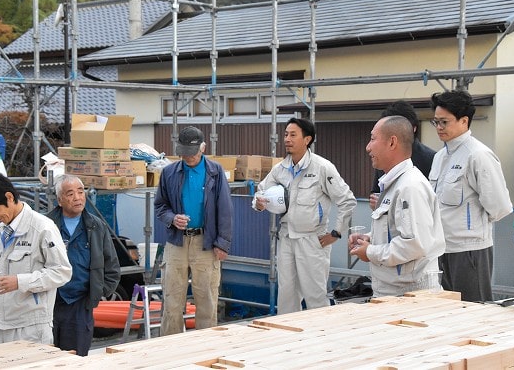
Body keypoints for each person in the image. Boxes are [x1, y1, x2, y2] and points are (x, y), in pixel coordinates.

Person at [253, 117, 356, 314]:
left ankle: (319, 341)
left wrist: (336, 232)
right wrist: (258, 203)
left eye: (293, 135)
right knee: (286, 296)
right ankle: (289, 341)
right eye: (285, 135)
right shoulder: (279, 169)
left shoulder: (322, 168)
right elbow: (260, 192)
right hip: (286, 238)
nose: (287, 139)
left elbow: (347, 200)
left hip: (312, 240)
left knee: (315, 297)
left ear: (307, 139)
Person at [428, 90, 512, 302]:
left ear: (464, 121)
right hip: (441, 248)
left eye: (444, 122)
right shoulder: (439, 157)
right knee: (447, 311)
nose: (438, 127)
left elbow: (500, 206)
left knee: (475, 309)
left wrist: (472, 225)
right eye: (435, 121)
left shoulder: (478, 155)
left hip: (469, 250)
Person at [0, 173, 72, 345]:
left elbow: (62, 272)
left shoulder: (43, 228)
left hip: (31, 326)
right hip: (0, 324)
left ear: (9, 197)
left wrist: (20, 281)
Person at [350, 116, 445, 297]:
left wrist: (370, 252)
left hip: (409, 295)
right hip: (394, 291)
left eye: (372, 139)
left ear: (392, 142)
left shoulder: (410, 187)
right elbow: (397, 231)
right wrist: (369, 238)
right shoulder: (395, 183)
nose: (368, 147)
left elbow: (414, 244)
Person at [154, 126, 233, 336]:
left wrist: (222, 243)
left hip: (206, 243)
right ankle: (170, 350)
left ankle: (205, 349)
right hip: (176, 243)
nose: (187, 157)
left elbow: (225, 210)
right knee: (172, 300)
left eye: (192, 152)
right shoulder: (169, 172)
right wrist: (172, 218)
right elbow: (160, 206)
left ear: (203, 148)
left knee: (206, 300)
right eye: (183, 152)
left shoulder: (215, 172)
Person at [46, 174, 120, 356]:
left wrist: (98, 291)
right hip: (50, 301)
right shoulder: (46, 225)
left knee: (77, 357)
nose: (77, 197)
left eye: (81, 192)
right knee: (47, 356)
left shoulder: (96, 226)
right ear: (60, 200)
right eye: (70, 193)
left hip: (80, 302)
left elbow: (112, 266)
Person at [370, 100, 436, 210]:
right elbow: (375, 192)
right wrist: (375, 202)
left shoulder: (431, 159)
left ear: (413, 128)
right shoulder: (384, 157)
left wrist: (390, 205)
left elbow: (432, 202)